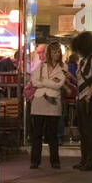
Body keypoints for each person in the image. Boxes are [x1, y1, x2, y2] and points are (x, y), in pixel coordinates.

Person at [28, 41, 65, 170]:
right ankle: (35, 161)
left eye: (58, 52)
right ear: (49, 53)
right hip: (39, 101)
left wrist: (43, 81)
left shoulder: (62, 67)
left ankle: (55, 161)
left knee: (52, 134)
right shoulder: (41, 66)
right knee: (37, 134)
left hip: (53, 103)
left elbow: (59, 84)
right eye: (54, 52)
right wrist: (49, 82)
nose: (56, 54)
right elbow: (34, 82)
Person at [72, 31, 92, 171]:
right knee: (83, 131)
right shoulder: (84, 60)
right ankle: (85, 159)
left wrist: (89, 95)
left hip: (89, 98)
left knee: (90, 131)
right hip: (82, 97)